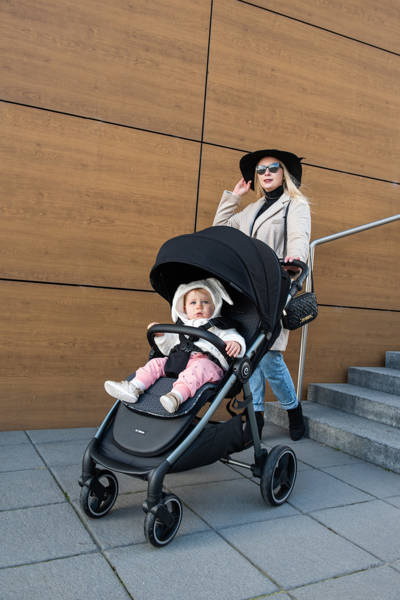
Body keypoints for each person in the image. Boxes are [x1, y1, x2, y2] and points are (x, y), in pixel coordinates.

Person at [213, 149, 311, 440]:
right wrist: (234, 197)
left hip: (276, 285)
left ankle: (292, 409)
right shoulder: (251, 210)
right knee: (248, 353)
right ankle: (255, 415)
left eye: (273, 168)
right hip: (247, 289)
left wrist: (296, 260)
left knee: (269, 357)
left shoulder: (294, 203)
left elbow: (299, 236)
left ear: (284, 173)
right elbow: (220, 230)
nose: (266, 173)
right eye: (260, 170)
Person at [104, 278, 246, 414]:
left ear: (215, 304)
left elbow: (232, 336)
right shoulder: (182, 327)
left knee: (198, 369)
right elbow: (169, 346)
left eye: (205, 302)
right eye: (193, 303)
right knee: (156, 363)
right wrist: (161, 334)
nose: (199, 306)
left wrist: (235, 343)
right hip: (179, 361)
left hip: (207, 365)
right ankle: (134, 387)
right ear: (184, 308)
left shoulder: (220, 326)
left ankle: (175, 397)